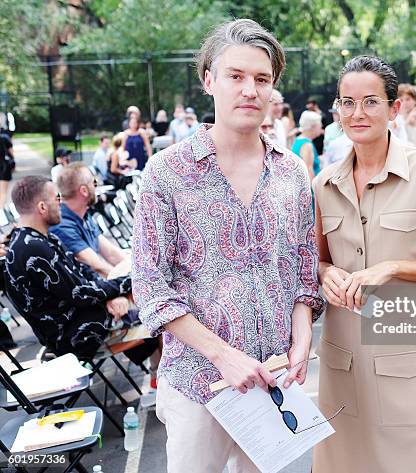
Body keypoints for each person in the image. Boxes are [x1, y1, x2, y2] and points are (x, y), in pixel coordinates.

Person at [131, 19, 323, 473]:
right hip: (199, 384)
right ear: (209, 81)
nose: (249, 90)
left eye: (261, 79)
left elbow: (302, 270)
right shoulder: (167, 172)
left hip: (275, 379)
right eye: (236, 76)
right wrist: (223, 356)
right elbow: (152, 288)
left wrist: (302, 339)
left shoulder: (292, 172)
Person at [312, 55, 416, 473]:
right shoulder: (323, 184)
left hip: (408, 357)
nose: (356, 113)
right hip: (343, 362)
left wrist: (392, 268)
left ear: (394, 108)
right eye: (346, 103)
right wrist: (327, 274)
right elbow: (318, 261)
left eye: (370, 102)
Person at [4, 176, 159, 363]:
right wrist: (130, 281)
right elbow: (81, 294)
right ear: (42, 207)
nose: (61, 204)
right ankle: (166, 383)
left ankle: (160, 380)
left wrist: (112, 293)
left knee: (152, 304)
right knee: (159, 311)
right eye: (57, 199)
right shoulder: (31, 248)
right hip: (75, 337)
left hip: (85, 318)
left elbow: (83, 272)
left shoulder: (37, 239)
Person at [50, 162, 129, 278]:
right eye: (95, 183)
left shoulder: (83, 214)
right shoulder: (62, 226)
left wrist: (139, 270)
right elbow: (99, 267)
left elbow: (111, 254)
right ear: (84, 191)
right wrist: (133, 282)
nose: (97, 187)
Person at [292, 110, 323, 180]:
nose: (321, 127)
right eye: (320, 125)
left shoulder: (298, 140)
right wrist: (313, 190)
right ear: (313, 126)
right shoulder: (307, 145)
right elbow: (309, 170)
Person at [0, 127, 15, 207]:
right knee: (3, 193)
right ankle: (1, 213)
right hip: (3, 167)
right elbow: (11, 152)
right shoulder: (4, 137)